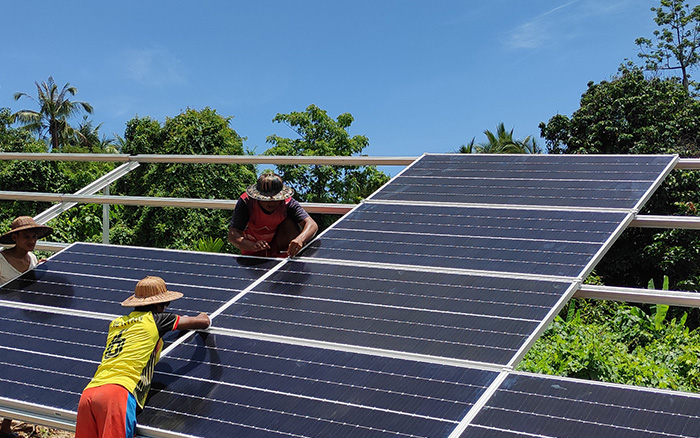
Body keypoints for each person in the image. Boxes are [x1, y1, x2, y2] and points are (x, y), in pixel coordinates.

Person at [75, 276, 210, 438]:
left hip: (89, 394)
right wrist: (204, 315)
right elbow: (202, 322)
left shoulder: (116, 323)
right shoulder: (158, 319)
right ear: (160, 304)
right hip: (117, 393)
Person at [0, 216, 53, 438]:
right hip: (3, 321)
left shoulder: (32, 259)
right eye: (26, 236)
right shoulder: (1, 260)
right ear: (14, 237)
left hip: (24, 322)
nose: (32, 240)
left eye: (34, 236)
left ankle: (5, 426)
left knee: (19, 370)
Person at [228, 173, 318, 258]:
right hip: (253, 252)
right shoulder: (246, 202)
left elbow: (311, 224)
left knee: (289, 222)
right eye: (266, 199)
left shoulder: (287, 203)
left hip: (278, 247)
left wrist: (300, 240)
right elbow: (233, 235)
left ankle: (281, 255)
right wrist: (253, 246)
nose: (272, 202)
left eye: (276, 198)